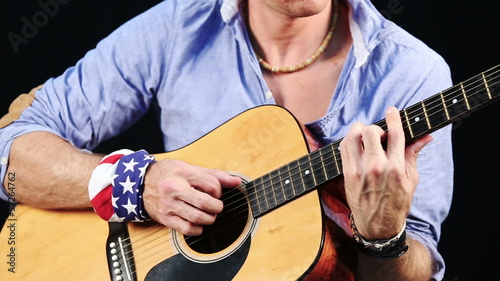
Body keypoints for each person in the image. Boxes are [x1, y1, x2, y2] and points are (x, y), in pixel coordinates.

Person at [0, 0, 453, 280]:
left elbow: (416, 268)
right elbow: (11, 150)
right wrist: (136, 183)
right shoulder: (178, 27)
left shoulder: (414, 74)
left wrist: (384, 236)